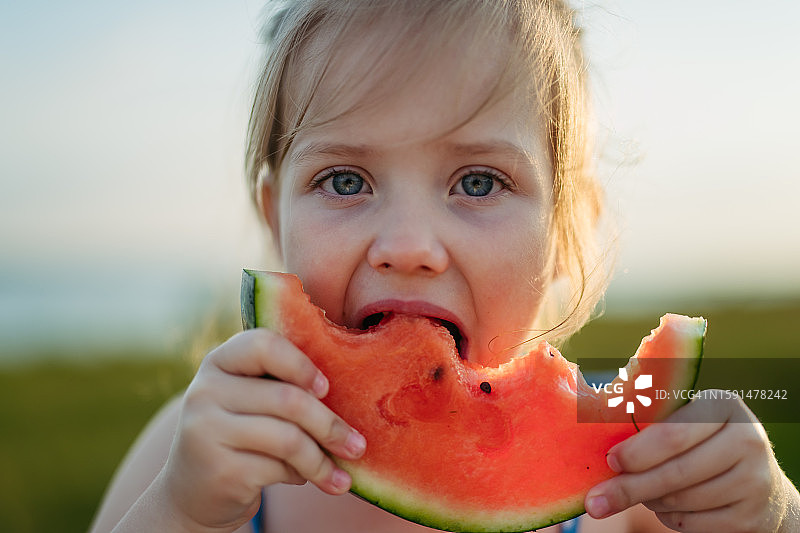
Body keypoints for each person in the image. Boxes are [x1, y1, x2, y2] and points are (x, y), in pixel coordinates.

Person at [90, 1, 800, 532]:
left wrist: (772, 512)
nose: (409, 245)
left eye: (479, 181)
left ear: (565, 230)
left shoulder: (633, 479)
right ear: (274, 219)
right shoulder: (192, 450)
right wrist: (178, 510)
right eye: (344, 180)